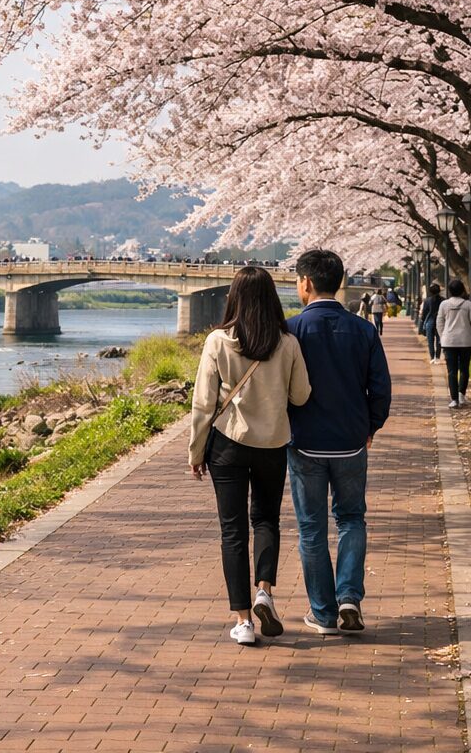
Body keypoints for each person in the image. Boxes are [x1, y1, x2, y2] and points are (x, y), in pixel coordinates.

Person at [189, 266, 312, 646]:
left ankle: (243, 622)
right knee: (266, 520)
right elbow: (301, 396)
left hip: (227, 445)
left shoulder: (218, 341)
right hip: (273, 445)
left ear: (235, 298)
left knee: (232, 530)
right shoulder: (287, 343)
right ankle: (265, 592)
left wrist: (196, 451)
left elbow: (203, 404)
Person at [286, 249, 392, 635]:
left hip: (305, 442)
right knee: (351, 519)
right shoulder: (364, 330)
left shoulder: (291, 330)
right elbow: (380, 389)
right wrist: (370, 427)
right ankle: (349, 597)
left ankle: (323, 613)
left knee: (311, 528)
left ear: (307, 283)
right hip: (350, 442)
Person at [436, 279, 471, 408]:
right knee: (464, 369)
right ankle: (462, 395)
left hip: (448, 342)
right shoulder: (468, 305)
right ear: (462, 291)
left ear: (450, 291)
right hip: (465, 341)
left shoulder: (444, 305)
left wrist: (442, 337)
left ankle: (454, 399)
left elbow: (439, 322)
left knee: (451, 371)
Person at [419, 283, 445, 364]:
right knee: (439, 340)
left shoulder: (427, 300)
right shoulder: (443, 300)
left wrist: (422, 320)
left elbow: (425, 312)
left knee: (430, 340)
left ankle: (432, 357)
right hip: (440, 322)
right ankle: (437, 357)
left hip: (429, 322)